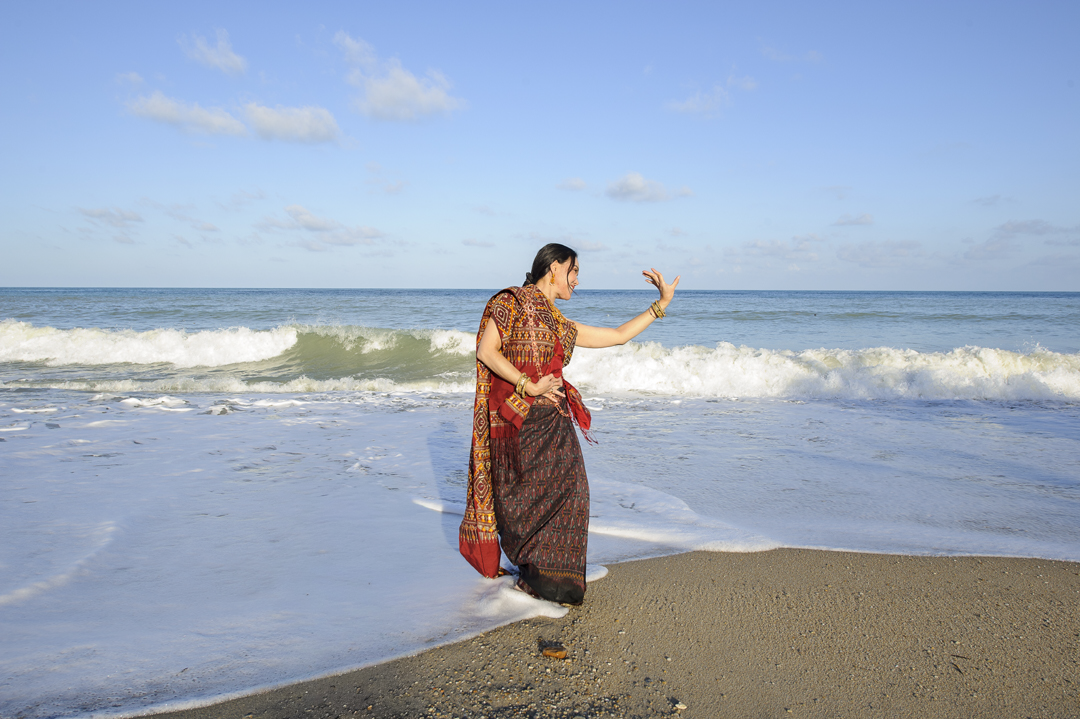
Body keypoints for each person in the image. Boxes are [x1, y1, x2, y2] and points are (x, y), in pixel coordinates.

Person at [458, 243, 679, 605]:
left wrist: (661, 306)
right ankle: (532, 575)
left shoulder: (559, 323)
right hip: (516, 422)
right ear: (555, 267)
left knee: (575, 493)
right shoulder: (509, 303)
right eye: (574, 271)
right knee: (521, 502)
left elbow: (617, 336)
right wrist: (527, 385)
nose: (577, 280)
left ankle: (558, 582)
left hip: (555, 423)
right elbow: (486, 351)